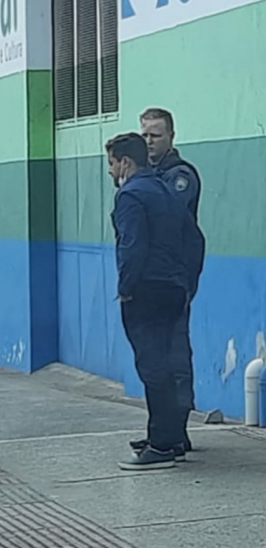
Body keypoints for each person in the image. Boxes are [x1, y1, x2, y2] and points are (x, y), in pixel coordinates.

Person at [106, 132, 204, 471]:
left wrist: (126, 287)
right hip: (173, 288)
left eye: (112, 163)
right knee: (166, 363)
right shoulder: (165, 189)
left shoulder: (130, 195)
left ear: (126, 162)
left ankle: (161, 445)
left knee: (153, 368)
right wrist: (187, 283)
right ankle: (171, 436)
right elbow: (194, 239)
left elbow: (132, 247)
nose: (110, 171)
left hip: (146, 291)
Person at [135, 107, 204, 455]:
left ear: (171, 137)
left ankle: (177, 430)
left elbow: (164, 218)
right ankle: (164, 428)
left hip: (174, 278)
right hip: (156, 279)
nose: (149, 142)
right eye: (145, 135)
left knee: (175, 353)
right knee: (155, 358)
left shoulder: (180, 177)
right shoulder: (147, 176)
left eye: (156, 135)